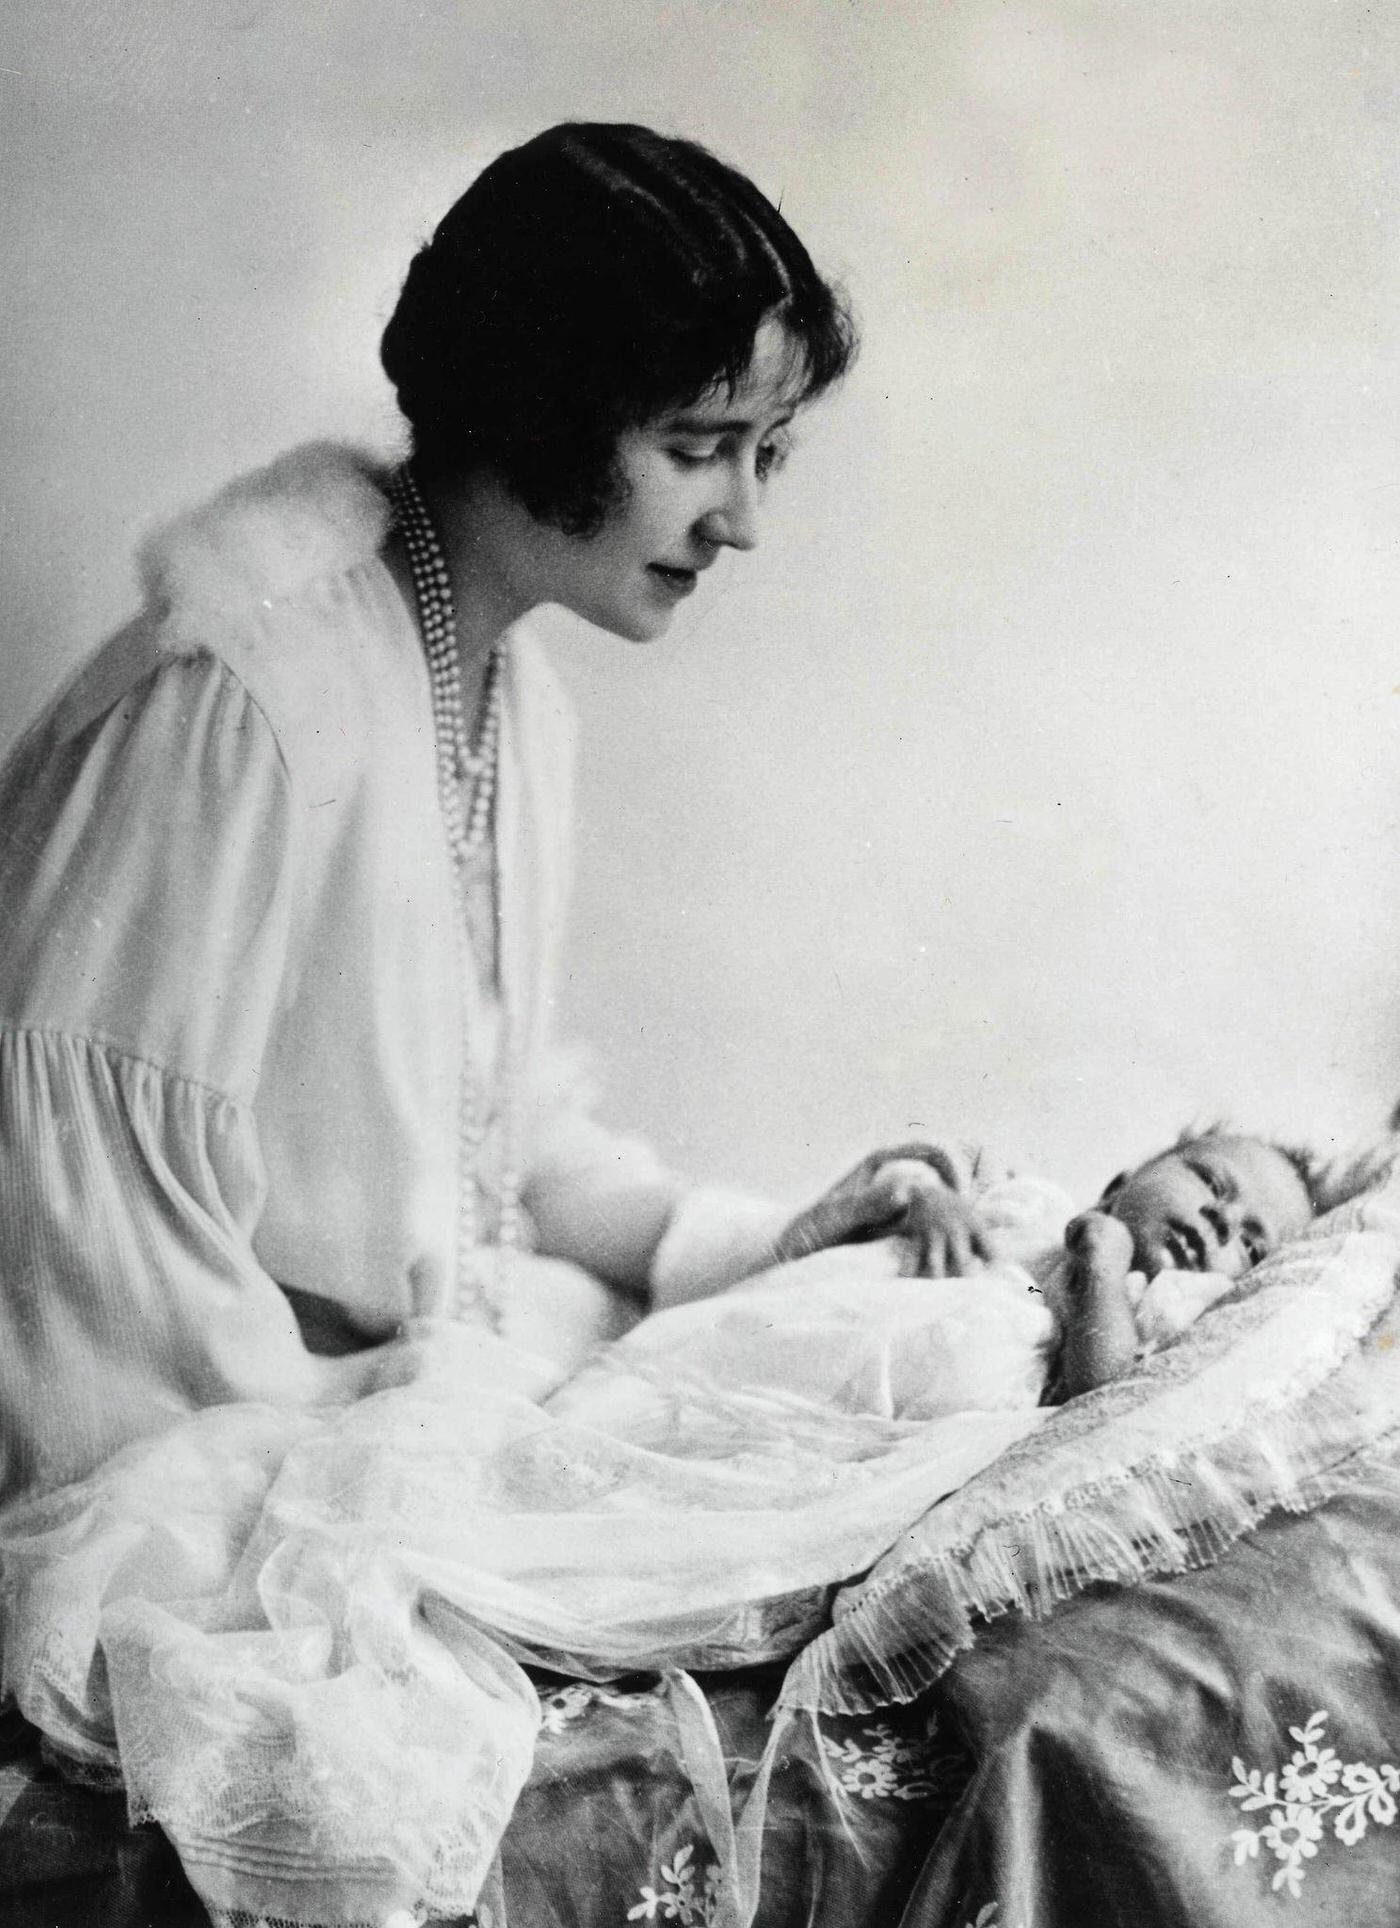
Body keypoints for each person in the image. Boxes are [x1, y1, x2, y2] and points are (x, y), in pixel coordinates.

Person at [0, 120, 939, 1508]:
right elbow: (79, 1241)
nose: (742, 519)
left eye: (766, 454)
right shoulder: (250, 689)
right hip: (190, 1432)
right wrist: (391, 1453)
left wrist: (757, 1239)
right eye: (700, 447)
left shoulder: (507, 690)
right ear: (542, 405)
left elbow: (481, 1150)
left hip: (400, 1385)